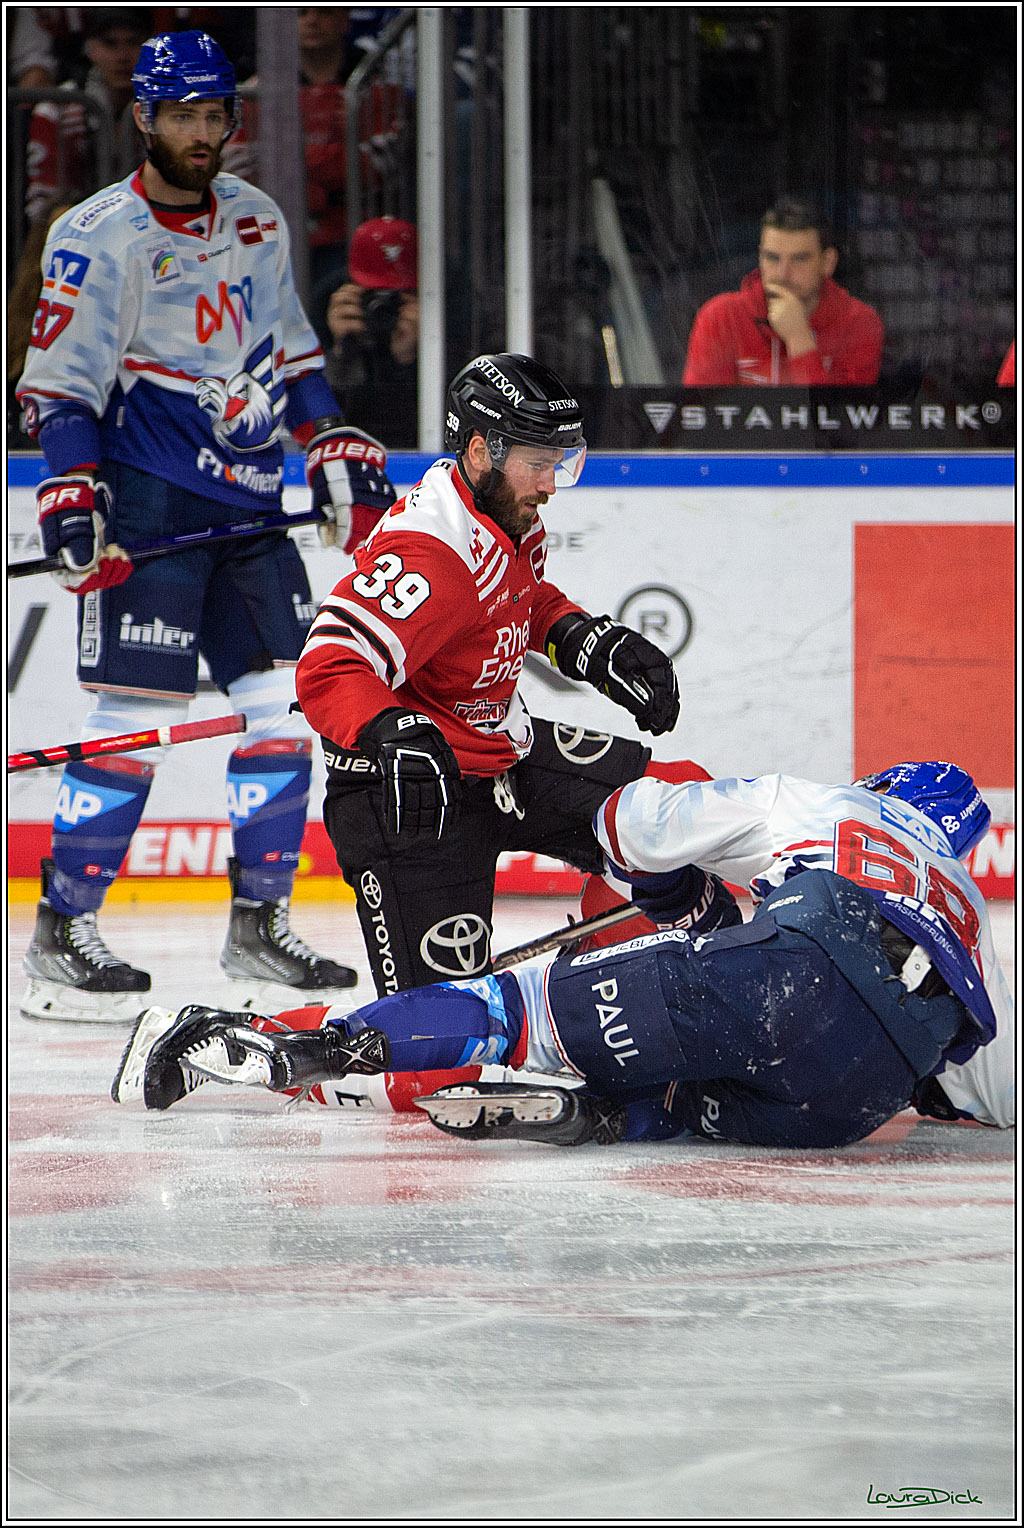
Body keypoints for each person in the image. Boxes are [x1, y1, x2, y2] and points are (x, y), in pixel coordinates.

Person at [14, 29, 398, 1024]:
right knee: (133, 728)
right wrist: (71, 491)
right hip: (148, 506)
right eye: (179, 113)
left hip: (250, 507)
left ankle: (258, 925)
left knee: (283, 712)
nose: (198, 131)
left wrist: (330, 435)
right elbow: (59, 389)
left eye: (213, 113)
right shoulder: (95, 235)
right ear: (142, 116)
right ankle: (63, 929)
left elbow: (297, 360)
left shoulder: (260, 221)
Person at [112, 760, 1015, 1153]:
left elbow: (636, 825)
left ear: (885, 790)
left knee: (518, 1008)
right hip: (853, 1103)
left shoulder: (819, 805)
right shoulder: (973, 910)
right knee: (694, 1087)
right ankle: (615, 1112)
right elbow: (977, 1085)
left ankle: (299, 1051)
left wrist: (673, 900)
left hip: (788, 975)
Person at [226, 7, 404, 288]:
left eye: (324, 11)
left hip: (353, 236)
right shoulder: (253, 91)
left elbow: (379, 165)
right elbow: (237, 166)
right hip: (272, 237)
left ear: (345, 20)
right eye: (301, 13)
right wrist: (327, 171)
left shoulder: (377, 89)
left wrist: (289, 159)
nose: (312, 20)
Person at [682, 198, 884, 386]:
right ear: (760, 256)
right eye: (772, 258)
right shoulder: (721, 317)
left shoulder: (858, 322)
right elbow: (701, 417)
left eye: (799, 259)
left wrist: (799, 339)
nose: (782, 274)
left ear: (827, 262)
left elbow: (839, 419)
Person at [24, 8, 151, 225]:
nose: (122, 56)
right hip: (74, 229)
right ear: (91, 48)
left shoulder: (170, 106)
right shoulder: (56, 109)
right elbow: (42, 207)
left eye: (133, 42)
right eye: (110, 43)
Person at [322, 215, 419, 446]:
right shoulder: (323, 313)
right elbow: (320, 429)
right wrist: (341, 354)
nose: (383, 309)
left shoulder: (451, 328)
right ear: (351, 289)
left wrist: (411, 360)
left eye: (397, 298)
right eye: (373, 296)